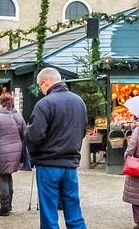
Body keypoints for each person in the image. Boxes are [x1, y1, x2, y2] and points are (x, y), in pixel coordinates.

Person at [25, 67, 89, 229]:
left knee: (49, 215)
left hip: (48, 164)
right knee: (74, 212)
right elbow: (82, 131)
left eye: (40, 86)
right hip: (70, 164)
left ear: (45, 82)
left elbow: (34, 135)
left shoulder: (44, 103)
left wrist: (33, 152)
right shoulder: (79, 102)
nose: (41, 90)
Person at [0, 91, 26, 217]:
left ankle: (4, 208)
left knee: (2, 177)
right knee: (8, 175)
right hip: (16, 150)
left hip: (1, 150)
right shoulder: (18, 116)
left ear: (0, 102)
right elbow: (24, 134)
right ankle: (9, 204)